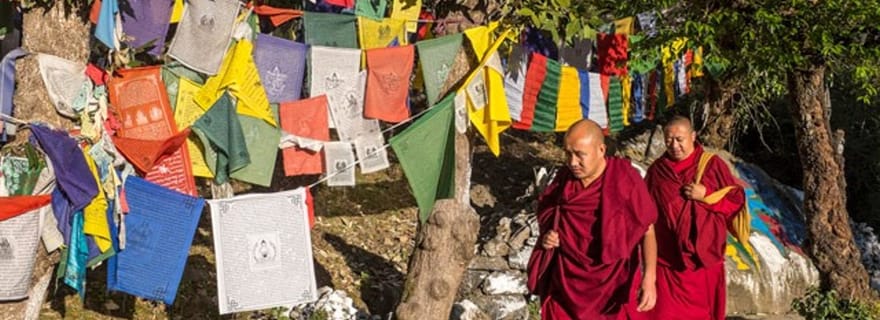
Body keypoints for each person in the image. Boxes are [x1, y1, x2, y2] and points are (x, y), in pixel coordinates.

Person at [527, 119, 658, 320]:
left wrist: (649, 278)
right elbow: (548, 215)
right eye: (568, 154)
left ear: (601, 149)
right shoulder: (564, 179)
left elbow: (646, 230)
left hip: (610, 285)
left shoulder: (624, 179)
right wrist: (548, 236)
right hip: (565, 284)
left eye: (580, 155)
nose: (572, 162)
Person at [645, 116, 745, 320]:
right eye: (669, 140)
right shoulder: (657, 170)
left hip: (703, 261)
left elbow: (736, 200)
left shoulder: (711, 165)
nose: (674, 146)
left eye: (679, 139)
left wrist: (706, 196)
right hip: (668, 261)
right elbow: (645, 212)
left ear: (693, 136)